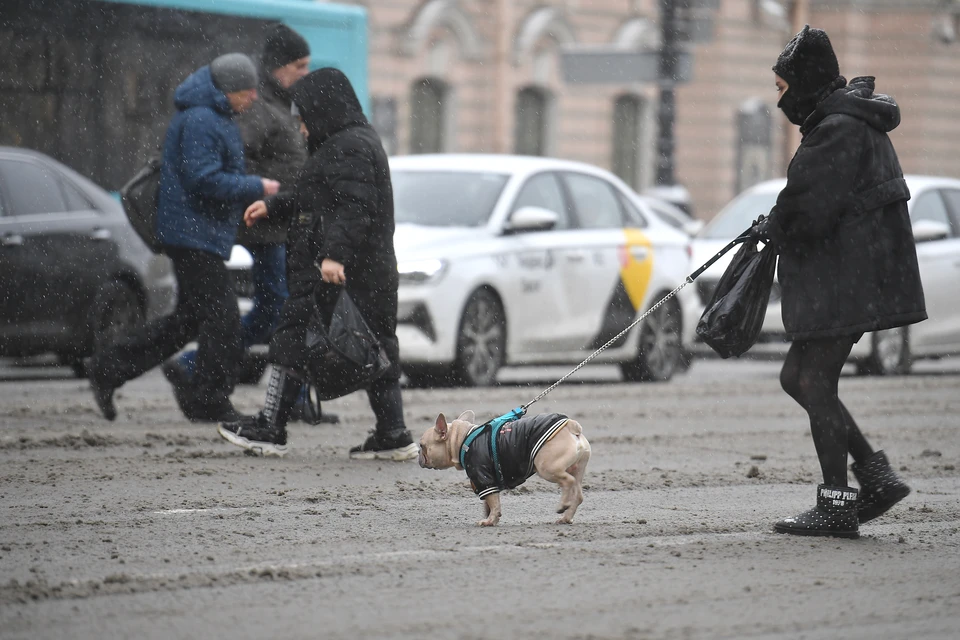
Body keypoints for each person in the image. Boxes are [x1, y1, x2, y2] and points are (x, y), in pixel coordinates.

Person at [752, 26, 927, 539]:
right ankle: (875, 477)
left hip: (845, 276)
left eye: (783, 88)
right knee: (797, 377)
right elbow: (816, 200)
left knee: (812, 381)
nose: (779, 99)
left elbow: (810, 207)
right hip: (852, 271)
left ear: (804, 81)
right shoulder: (844, 122)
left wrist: (776, 223)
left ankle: (836, 503)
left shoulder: (839, 128)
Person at [217, 68, 418, 461]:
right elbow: (317, 196)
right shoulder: (348, 142)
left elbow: (355, 208)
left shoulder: (349, 147)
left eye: (304, 116)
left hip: (340, 273)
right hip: (366, 274)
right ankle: (393, 434)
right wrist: (274, 206)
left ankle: (270, 428)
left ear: (324, 110)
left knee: (293, 338)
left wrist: (333, 256)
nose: (301, 126)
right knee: (376, 347)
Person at [88, 53, 279, 423]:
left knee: (189, 319)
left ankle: (109, 369)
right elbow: (203, 178)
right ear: (227, 90)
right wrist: (257, 185)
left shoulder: (213, 116)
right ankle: (209, 400)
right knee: (223, 319)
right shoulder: (200, 119)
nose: (253, 98)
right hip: (191, 235)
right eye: (247, 91)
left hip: (197, 233)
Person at [166, 24, 339, 424]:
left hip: (286, 221)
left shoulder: (279, 102)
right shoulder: (255, 106)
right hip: (266, 224)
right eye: (299, 65)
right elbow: (235, 160)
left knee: (285, 310)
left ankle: (287, 397)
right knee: (276, 309)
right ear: (278, 67)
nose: (304, 73)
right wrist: (266, 190)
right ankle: (197, 365)